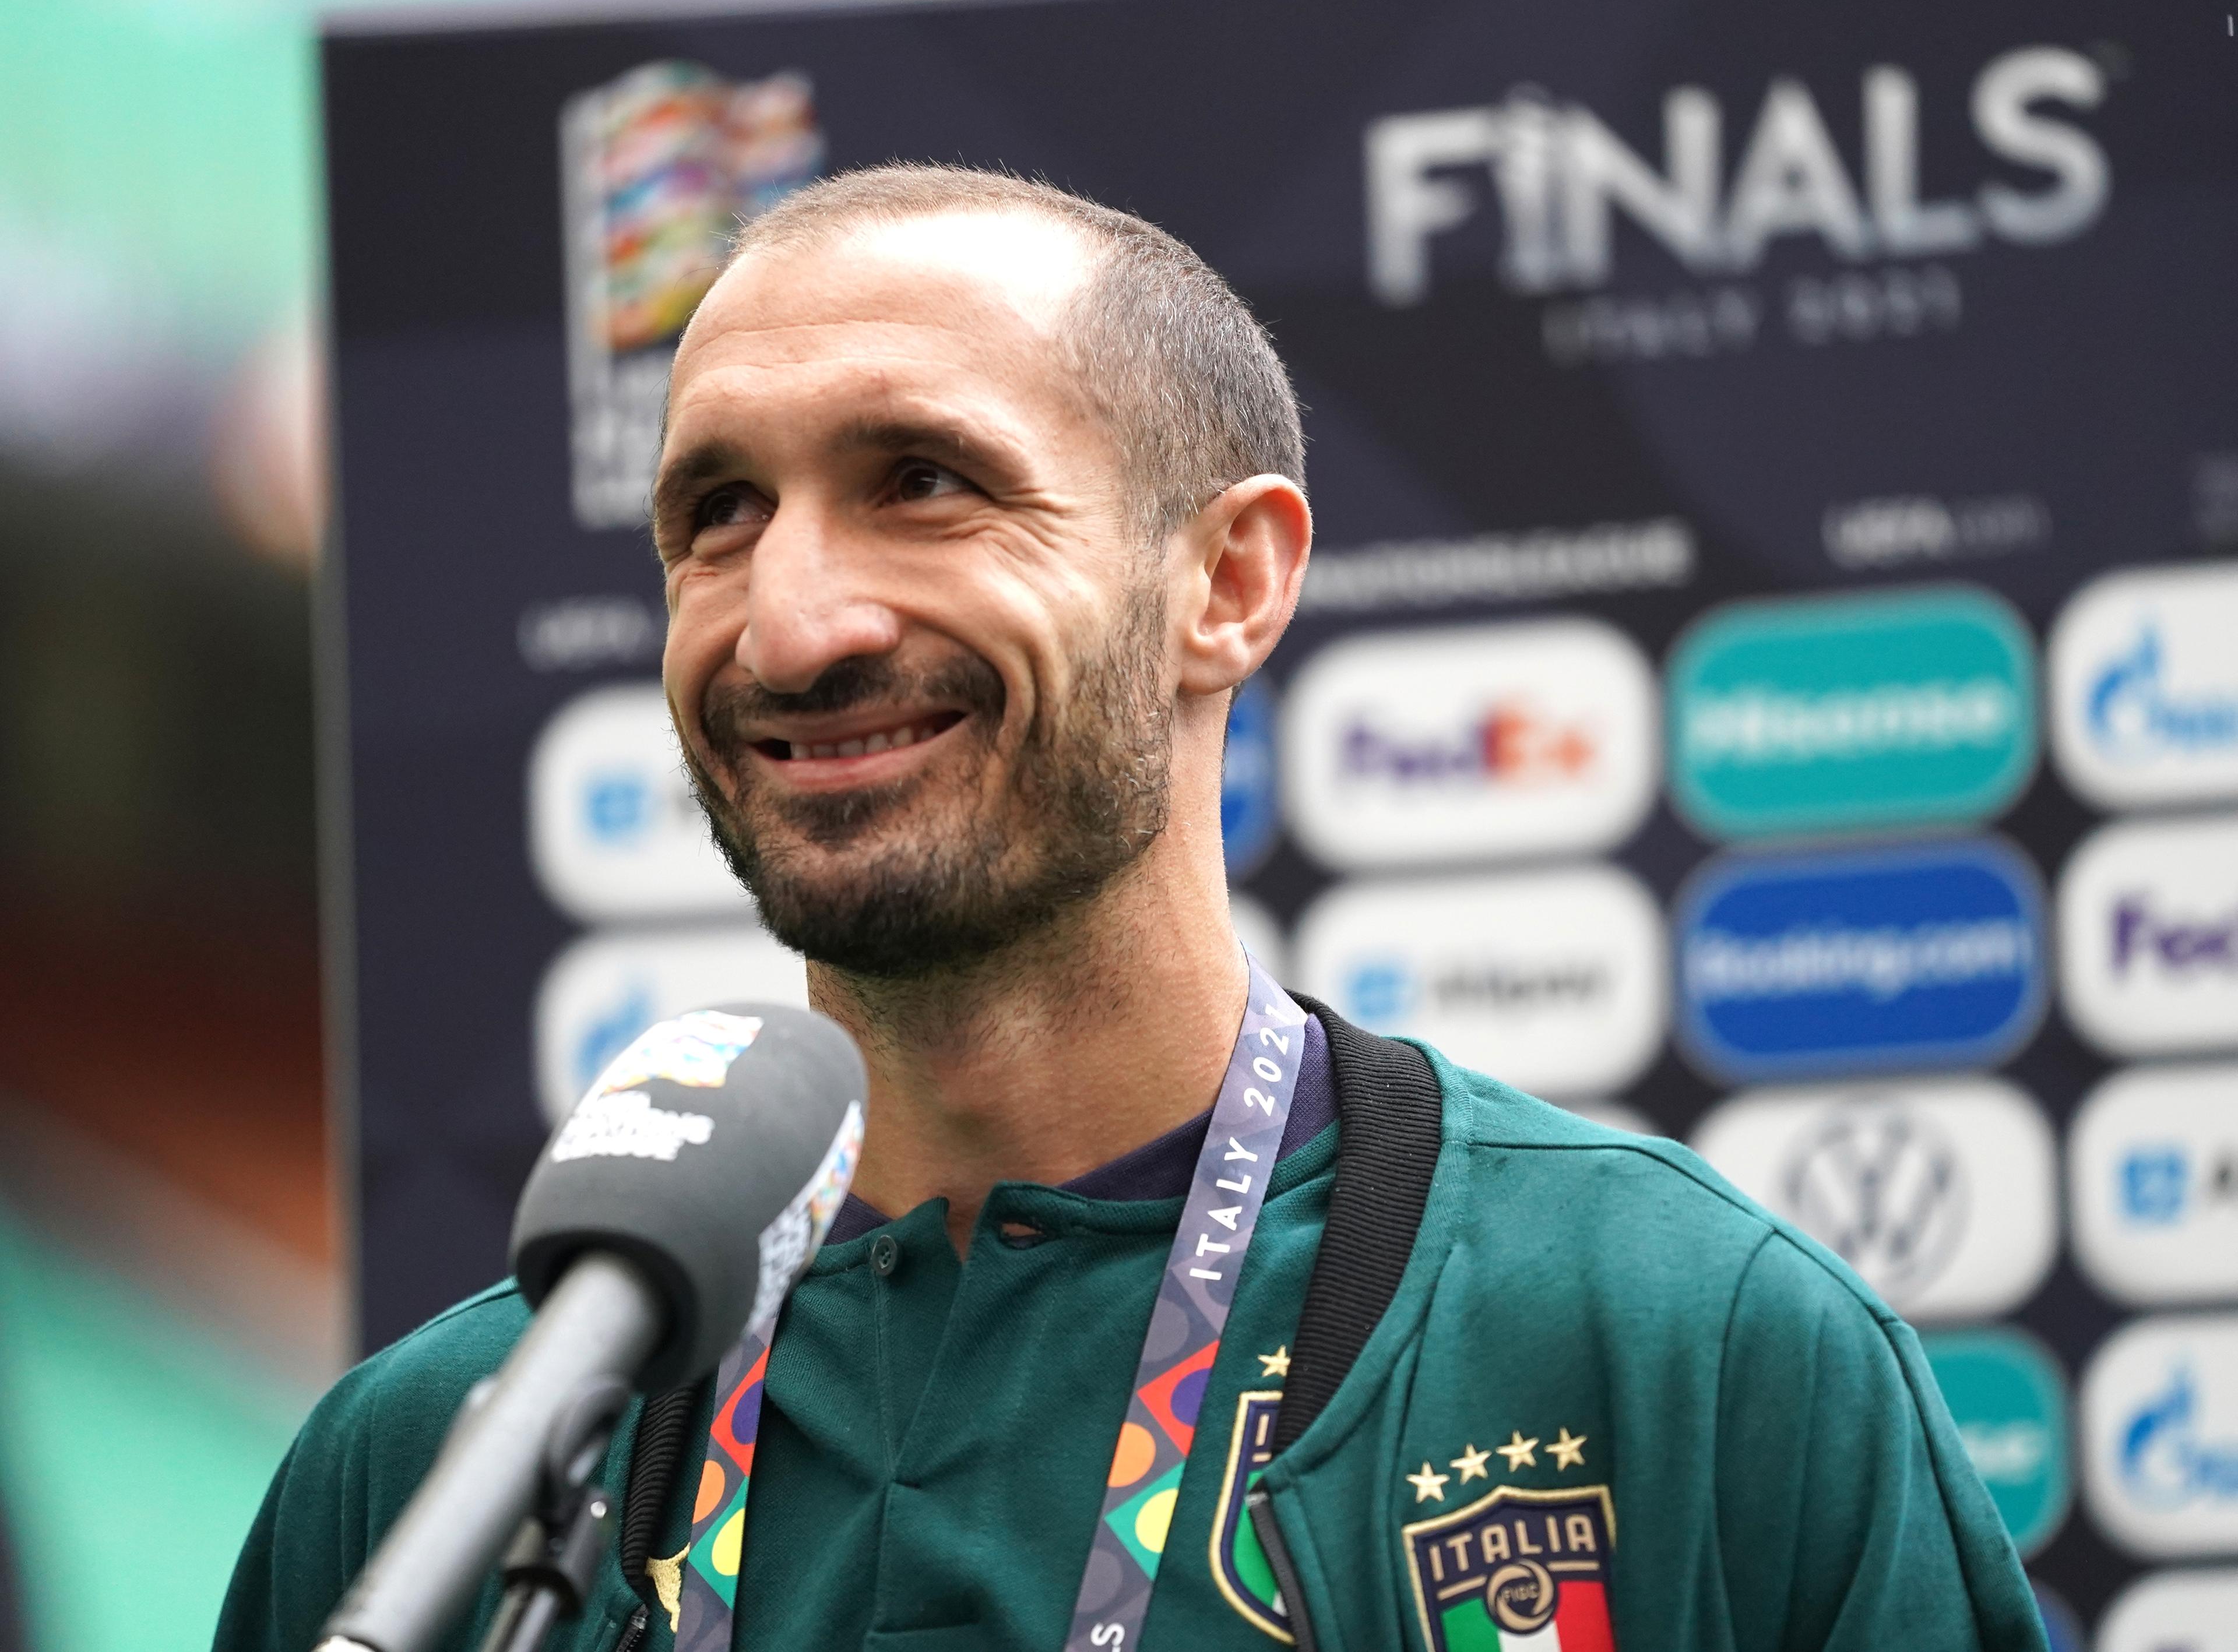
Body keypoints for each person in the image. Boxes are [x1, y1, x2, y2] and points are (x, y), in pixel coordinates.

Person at [219, 166, 2044, 1652]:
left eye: (921, 482)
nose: (790, 624)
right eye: (717, 513)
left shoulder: (1681, 1344)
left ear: (1229, 581)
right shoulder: (429, 1475)